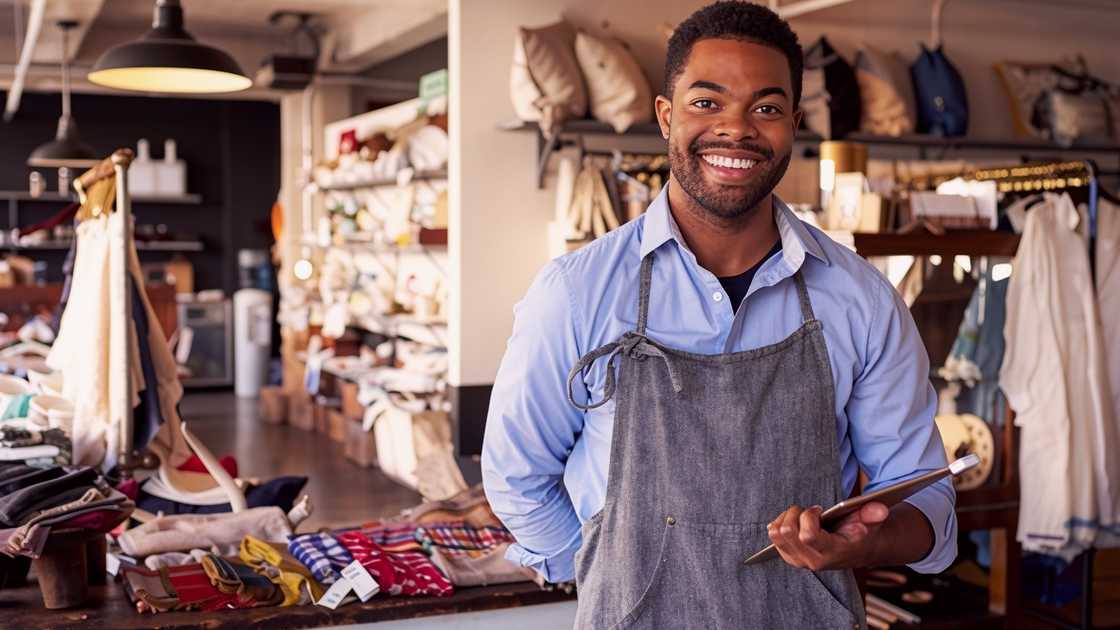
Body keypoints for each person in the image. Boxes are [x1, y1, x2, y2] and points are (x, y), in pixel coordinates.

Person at [482, 2, 956, 627]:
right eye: (707, 102)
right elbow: (518, 474)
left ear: (793, 122)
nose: (737, 129)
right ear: (665, 116)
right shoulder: (576, 293)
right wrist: (607, 570)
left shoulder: (861, 299)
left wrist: (865, 542)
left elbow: (926, 497)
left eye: (765, 107)